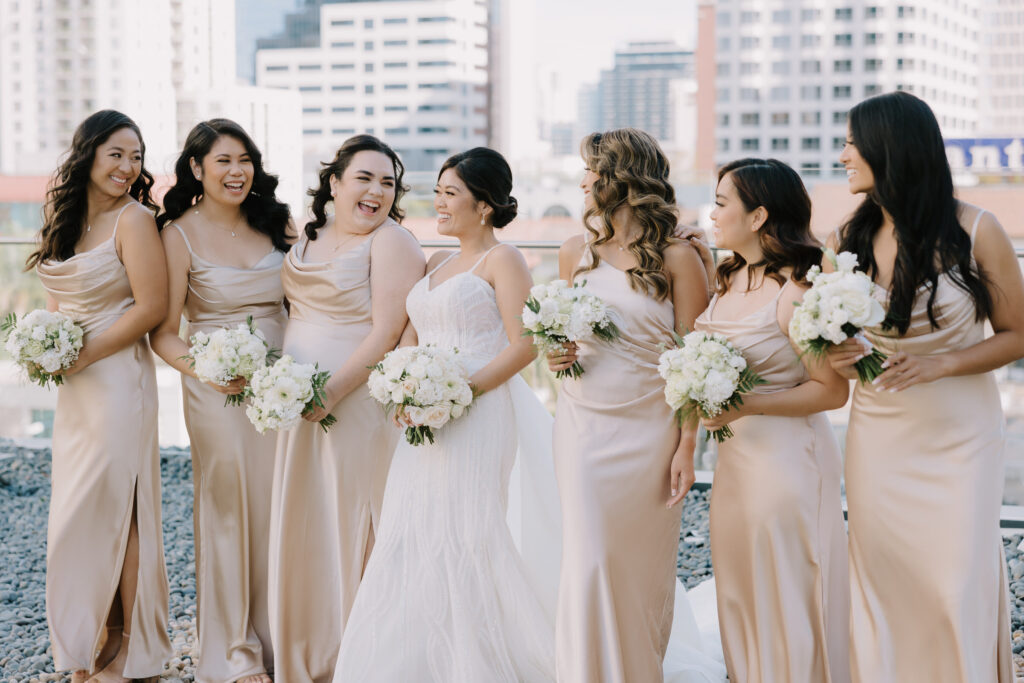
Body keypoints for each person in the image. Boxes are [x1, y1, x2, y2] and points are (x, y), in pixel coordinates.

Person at [332, 146, 560, 682]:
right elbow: (410, 337)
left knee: (469, 530)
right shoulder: (434, 262)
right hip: (423, 417)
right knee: (411, 526)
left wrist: (460, 392)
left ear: (484, 205)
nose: (437, 202)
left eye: (450, 193)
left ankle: (477, 663)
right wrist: (404, 389)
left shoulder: (503, 260)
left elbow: (526, 344)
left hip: (478, 414)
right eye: (436, 191)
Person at [827, 91, 1024, 682]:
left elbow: (1017, 334)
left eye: (852, 144)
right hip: (880, 438)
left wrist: (944, 364)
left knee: (954, 580)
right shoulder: (846, 239)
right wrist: (838, 356)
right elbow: (831, 346)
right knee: (884, 581)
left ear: (890, 148)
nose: (842, 156)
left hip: (961, 438)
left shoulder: (978, 229)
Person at [547, 128, 724, 682]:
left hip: (651, 431)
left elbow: (695, 358)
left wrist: (687, 444)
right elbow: (561, 341)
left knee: (639, 568)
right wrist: (557, 354)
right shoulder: (573, 253)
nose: (583, 181)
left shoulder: (677, 256)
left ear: (621, 178)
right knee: (589, 559)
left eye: (592, 170)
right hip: (582, 426)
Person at [267, 135, 424, 683]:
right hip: (297, 404)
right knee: (307, 520)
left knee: (351, 520)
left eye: (388, 183)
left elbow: (387, 331)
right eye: (364, 178)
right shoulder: (308, 235)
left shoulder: (391, 242)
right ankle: (304, 653)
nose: (377, 191)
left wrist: (330, 392)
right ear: (334, 183)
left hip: (354, 405)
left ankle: (353, 660)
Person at [695, 158, 850, 683]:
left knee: (788, 592)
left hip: (787, 466)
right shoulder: (728, 277)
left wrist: (747, 404)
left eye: (721, 204)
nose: (712, 214)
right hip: (734, 466)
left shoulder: (797, 290)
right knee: (739, 589)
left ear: (758, 215)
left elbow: (832, 390)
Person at [29, 110, 171, 682]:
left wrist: (84, 354)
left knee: (121, 510)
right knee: (79, 512)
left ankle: (128, 648)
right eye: (116, 153)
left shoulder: (134, 220)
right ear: (87, 153)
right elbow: (60, 300)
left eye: (136, 157)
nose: (128, 166)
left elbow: (152, 307)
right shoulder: (62, 218)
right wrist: (46, 347)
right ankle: (87, 639)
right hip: (76, 388)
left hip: (117, 381)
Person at [151, 119, 293, 683]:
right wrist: (207, 372)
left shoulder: (277, 222)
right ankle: (237, 648)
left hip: (286, 382)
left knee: (284, 503)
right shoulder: (177, 235)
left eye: (245, 160)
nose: (237, 172)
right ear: (196, 168)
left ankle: (288, 636)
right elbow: (164, 333)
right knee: (230, 507)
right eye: (224, 161)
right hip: (217, 390)